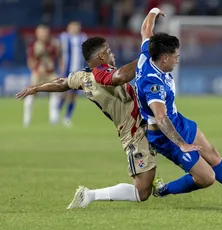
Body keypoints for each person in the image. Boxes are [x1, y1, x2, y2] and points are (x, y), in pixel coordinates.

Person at [134, 8, 222, 206]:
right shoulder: (153, 84)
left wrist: (153, 12)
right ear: (164, 57)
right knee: (206, 178)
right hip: (165, 135)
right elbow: (161, 118)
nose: (178, 59)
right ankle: (164, 189)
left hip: (177, 120)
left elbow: (146, 30)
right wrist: (181, 144)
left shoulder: (147, 53)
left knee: (212, 152)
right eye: (176, 56)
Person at [17, 36, 157, 208]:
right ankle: (90, 195)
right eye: (108, 51)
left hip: (143, 125)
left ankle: (167, 184)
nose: (112, 53)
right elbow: (122, 76)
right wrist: (147, 56)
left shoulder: (83, 76)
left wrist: (37, 87)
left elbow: (62, 83)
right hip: (135, 132)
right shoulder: (103, 77)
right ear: (101, 57)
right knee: (142, 191)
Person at [24, 24, 61, 127]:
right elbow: (30, 60)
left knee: (56, 92)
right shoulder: (33, 45)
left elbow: (59, 56)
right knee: (31, 93)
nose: (44, 35)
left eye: (45, 32)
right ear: (37, 33)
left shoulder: (53, 44)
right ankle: (27, 120)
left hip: (50, 73)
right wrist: (35, 69)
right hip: (38, 73)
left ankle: (54, 119)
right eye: (42, 32)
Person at [58, 21, 87, 126]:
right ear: (68, 27)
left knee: (73, 95)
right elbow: (58, 50)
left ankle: (67, 117)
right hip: (66, 70)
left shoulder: (83, 38)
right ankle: (56, 112)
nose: (75, 29)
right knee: (64, 93)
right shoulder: (63, 37)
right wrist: (60, 63)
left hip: (78, 71)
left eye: (77, 27)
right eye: (73, 27)